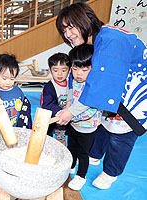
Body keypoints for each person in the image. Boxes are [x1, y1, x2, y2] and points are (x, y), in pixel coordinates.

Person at [56, 2, 146, 189]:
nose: (68, 35)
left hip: (135, 92)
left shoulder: (111, 39)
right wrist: (69, 105)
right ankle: (95, 155)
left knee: (120, 133)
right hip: (114, 92)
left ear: (86, 19)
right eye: (64, 31)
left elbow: (101, 83)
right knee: (104, 124)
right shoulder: (90, 43)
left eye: (71, 27)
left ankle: (111, 172)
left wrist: (71, 112)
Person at [66, 44, 102, 190]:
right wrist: (67, 107)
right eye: (75, 69)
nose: (78, 73)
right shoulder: (75, 80)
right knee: (71, 147)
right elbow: (70, 92)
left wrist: (72, 117)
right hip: (74, 124)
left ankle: (81, 176)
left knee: (83, 153)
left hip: (88, 127)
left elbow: (91, 110)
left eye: (84, 69)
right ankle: (71, 165)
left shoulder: (94, 85)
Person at [40, 53, 71, 146]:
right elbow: (47, 105)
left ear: (69, 70)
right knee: (59, 141)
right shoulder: (49, 87)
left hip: (70, 117)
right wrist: (61, 112)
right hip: (56, 119)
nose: (60, 74)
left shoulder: (72, 84)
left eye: (64, 70)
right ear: (50, 70)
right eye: (55, 70)